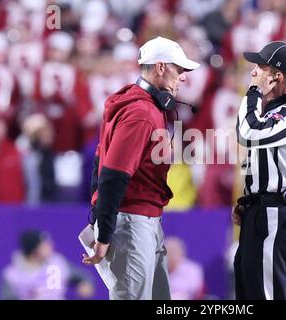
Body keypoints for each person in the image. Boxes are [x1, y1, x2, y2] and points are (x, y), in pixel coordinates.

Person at [81, 36, 199, 300]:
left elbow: (99, 162)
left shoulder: (138, 105)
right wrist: (105, 233)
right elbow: (113, 174)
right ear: (160, 67)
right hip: (132, 223)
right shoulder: (141, 112)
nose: (182, 77)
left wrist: (102, 219)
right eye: (179, 69)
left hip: (141, 221)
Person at [232, 41, 286, 300]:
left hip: (275, 215)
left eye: (260, 67)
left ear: (277, 76)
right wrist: (250, 200)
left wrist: (253, 93)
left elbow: (248, 134)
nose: (254, 73)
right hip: (261, 214)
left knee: (264, 295)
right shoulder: (277, 112)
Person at [0, 230, 94, 300]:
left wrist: (85, 284)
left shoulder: (56, 263)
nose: (50, 246)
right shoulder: (13, 275)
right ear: (34, 250)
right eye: (44, 245)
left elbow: (82, 276)